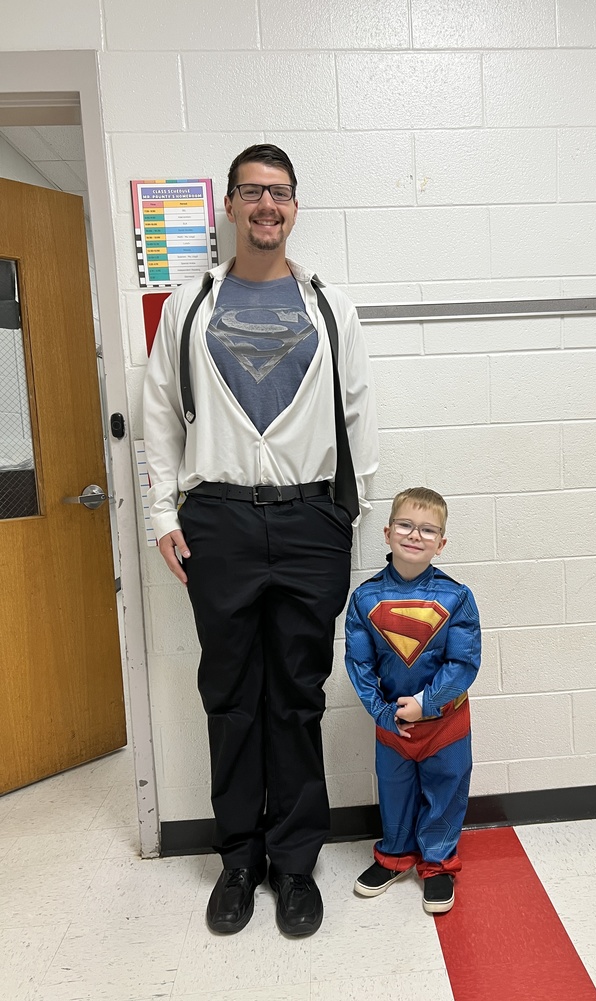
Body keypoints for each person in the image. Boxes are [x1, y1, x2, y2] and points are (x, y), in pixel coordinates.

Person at [143, 143, 378, 938]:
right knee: (233, 697)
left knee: (298, 698)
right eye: (252, 192)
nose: (265, 206)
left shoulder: (328, 305)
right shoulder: (189, 304)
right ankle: (238, 860)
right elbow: (156, 419)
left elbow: (357, 417)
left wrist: (355, 517)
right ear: (233, 207)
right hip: (221, 520)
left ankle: (295, 863)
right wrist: (162, 517)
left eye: (279, 193)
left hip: (313, 520)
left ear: (294, 206)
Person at [344, 487, 481, 914]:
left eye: (428, 530)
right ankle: (394, 856)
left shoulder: (457, 597)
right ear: (386, 533)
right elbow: (358, 664)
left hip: (445, 722)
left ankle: (438, 863)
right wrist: (382, 713)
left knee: (446, 789)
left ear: (441, 543)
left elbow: (463, 662)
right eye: (405, 525)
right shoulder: (364, 599)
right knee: (395, 791)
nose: (414, 535)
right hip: (393, 724)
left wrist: (428, 703)